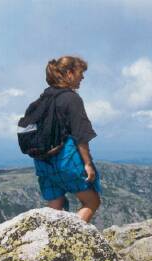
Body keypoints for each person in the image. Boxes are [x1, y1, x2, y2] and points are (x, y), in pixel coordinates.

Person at [30, 56, 101, 222]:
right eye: (80, 73)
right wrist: (88, 164)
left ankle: (46, 241)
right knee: (91, 201)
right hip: (66, 160)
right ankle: (68, 239)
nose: (82, 77)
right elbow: (80, 135)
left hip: (42, 162)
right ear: (69, 73)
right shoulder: (71, 98)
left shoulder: (41, 100)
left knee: (56, 207)